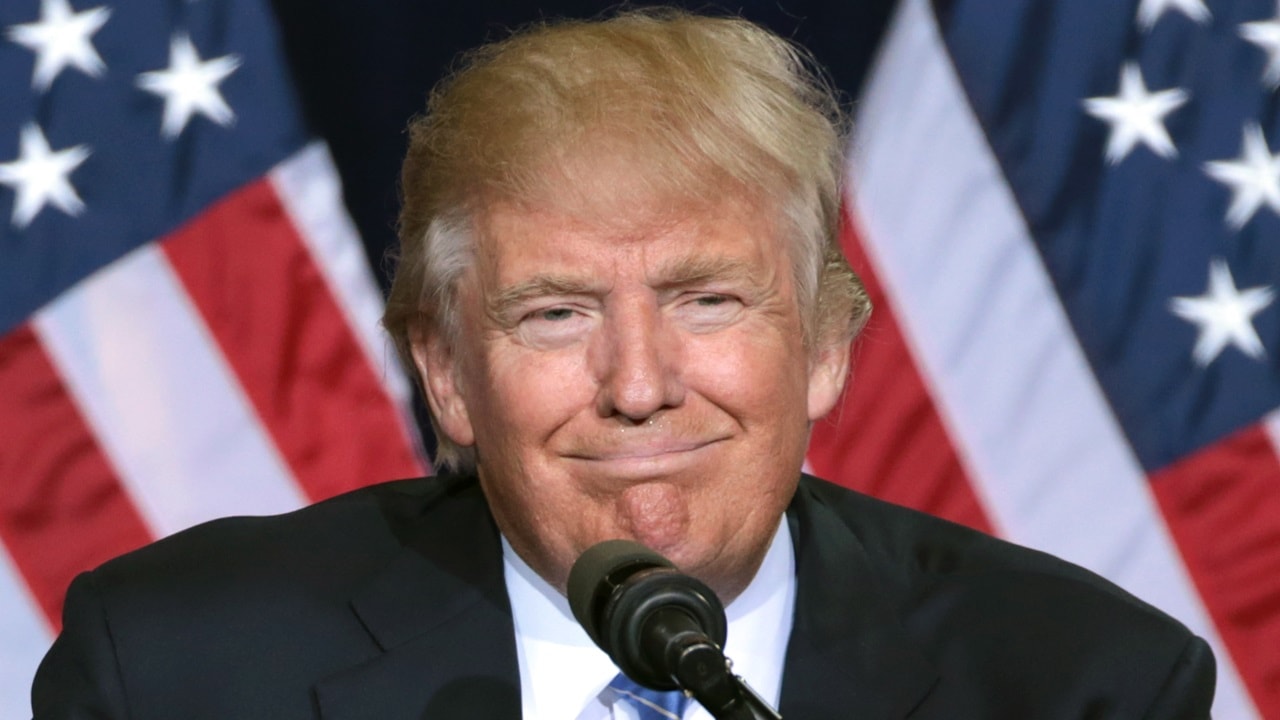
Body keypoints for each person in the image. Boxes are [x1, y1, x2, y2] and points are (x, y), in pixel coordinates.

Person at [32, 8, 1214, 719]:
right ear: (445, 375)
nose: (638, 382)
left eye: (705, 301)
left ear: (824, 348)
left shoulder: (1076, 686)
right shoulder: (177, 673)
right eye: (553, 314)